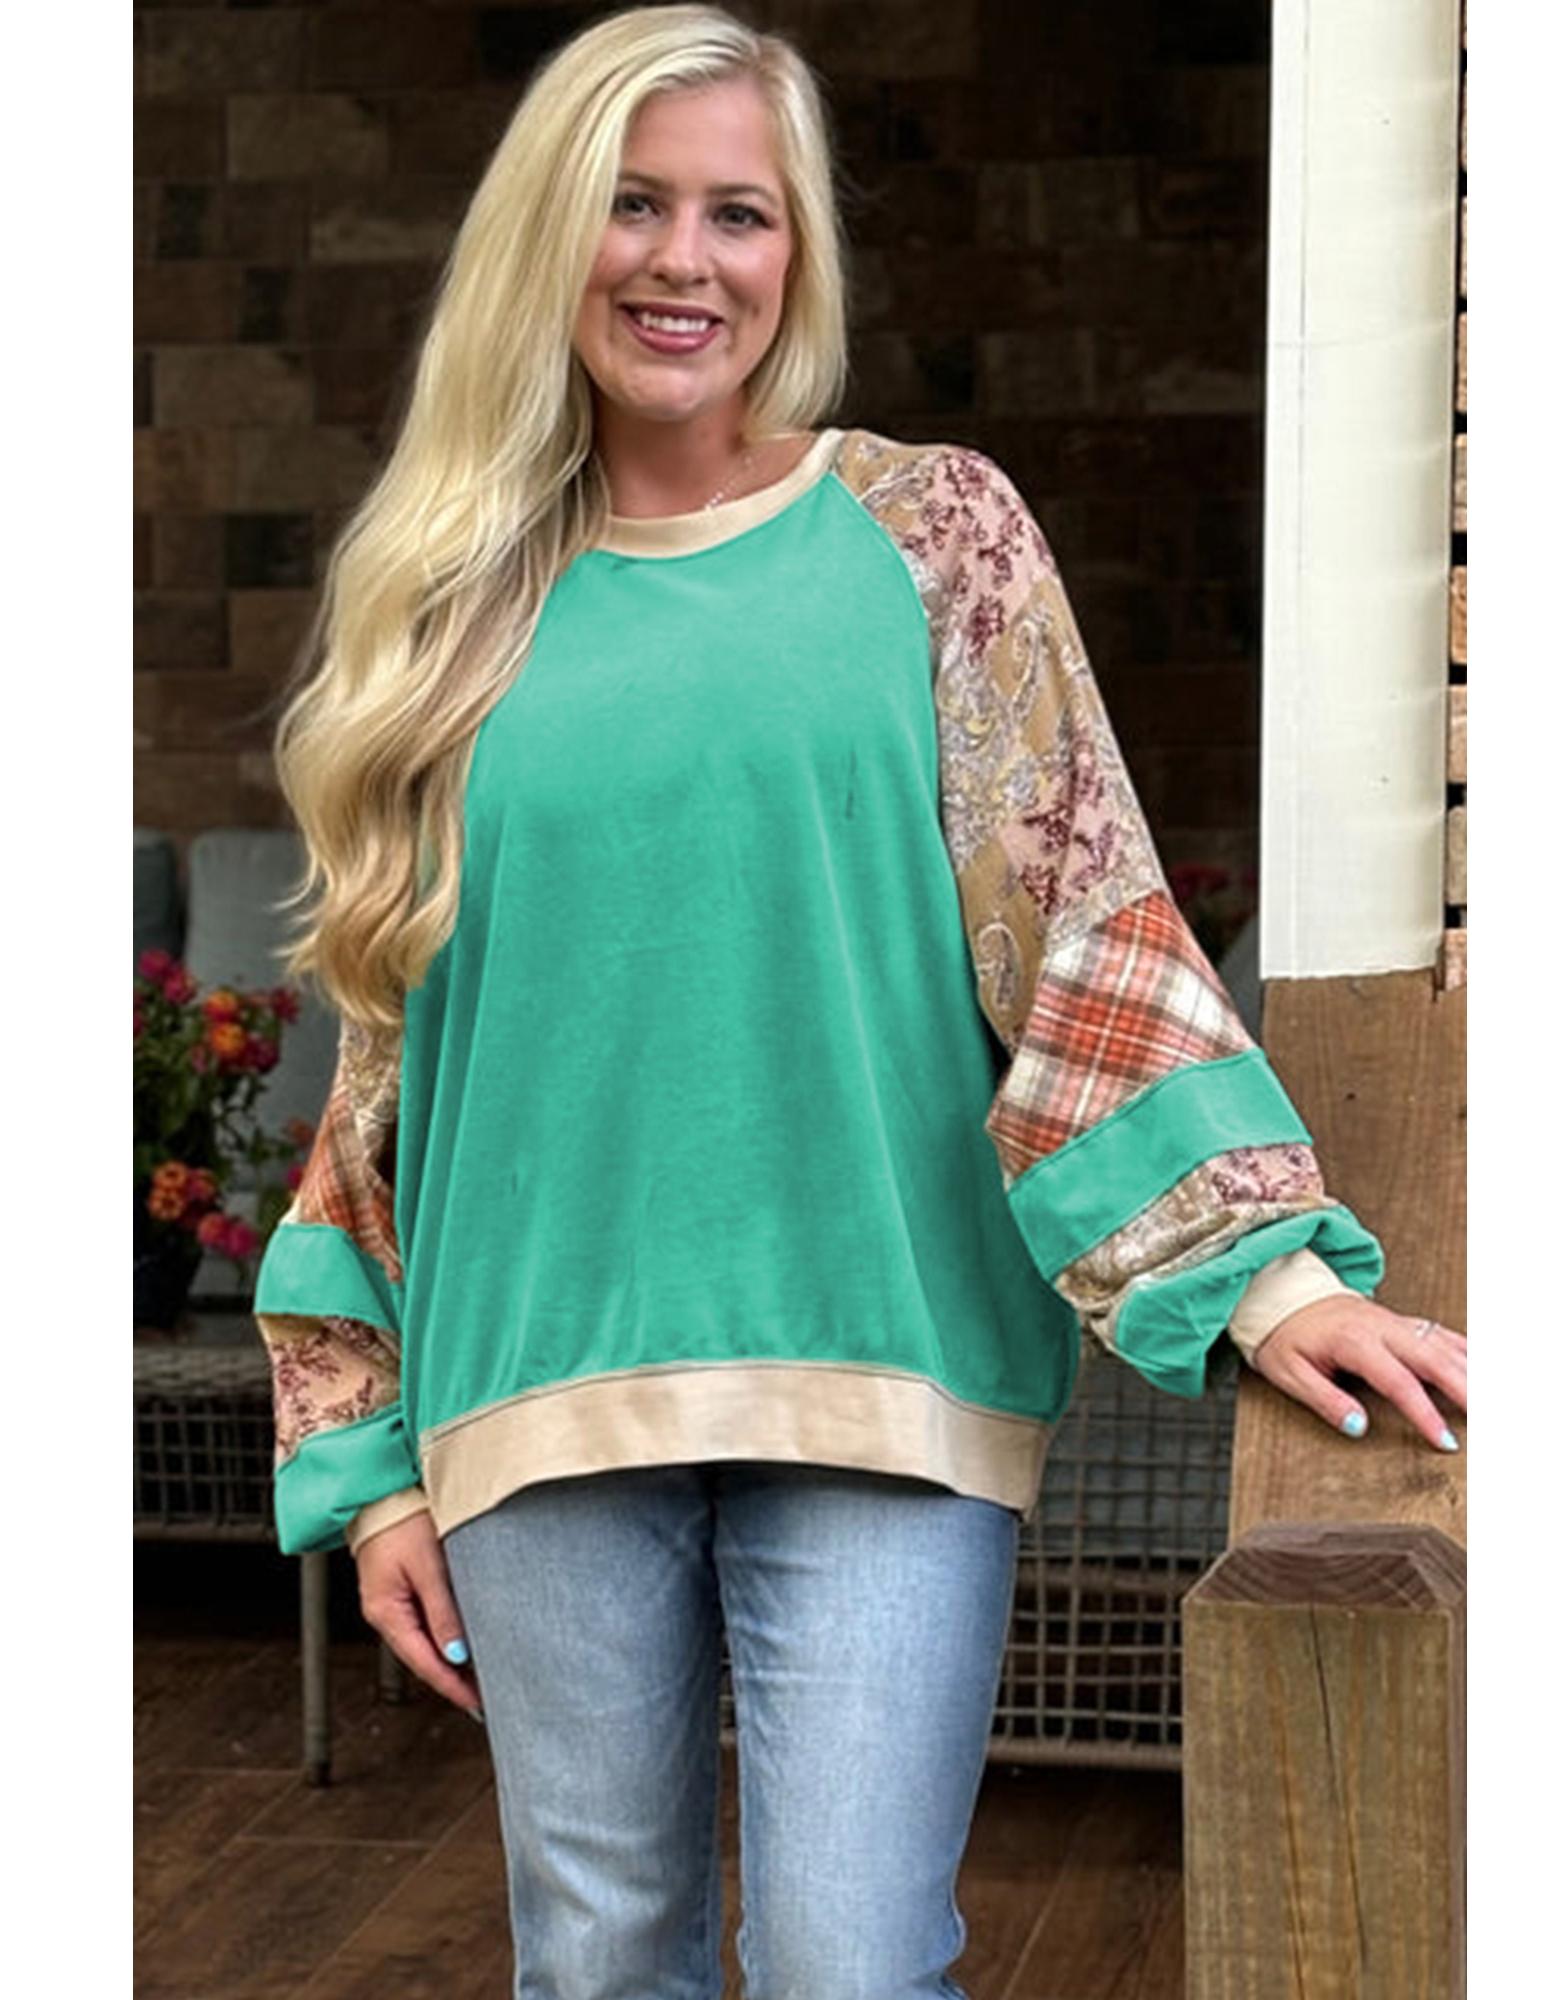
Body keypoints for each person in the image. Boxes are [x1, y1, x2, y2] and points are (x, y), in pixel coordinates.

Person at [252, 7, 1467, 1994]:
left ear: (796, 253)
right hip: (531, 1380)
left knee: (849, 1960)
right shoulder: (445, 605)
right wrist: (367, 1446)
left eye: (739, 212)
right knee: (598, 1963)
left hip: (885, 1373)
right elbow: (393, 1060)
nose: (685, 259)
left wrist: (1266, 1273)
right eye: (632, 204)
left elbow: (1078, 922)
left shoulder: (930, 535)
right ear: (547, 234)